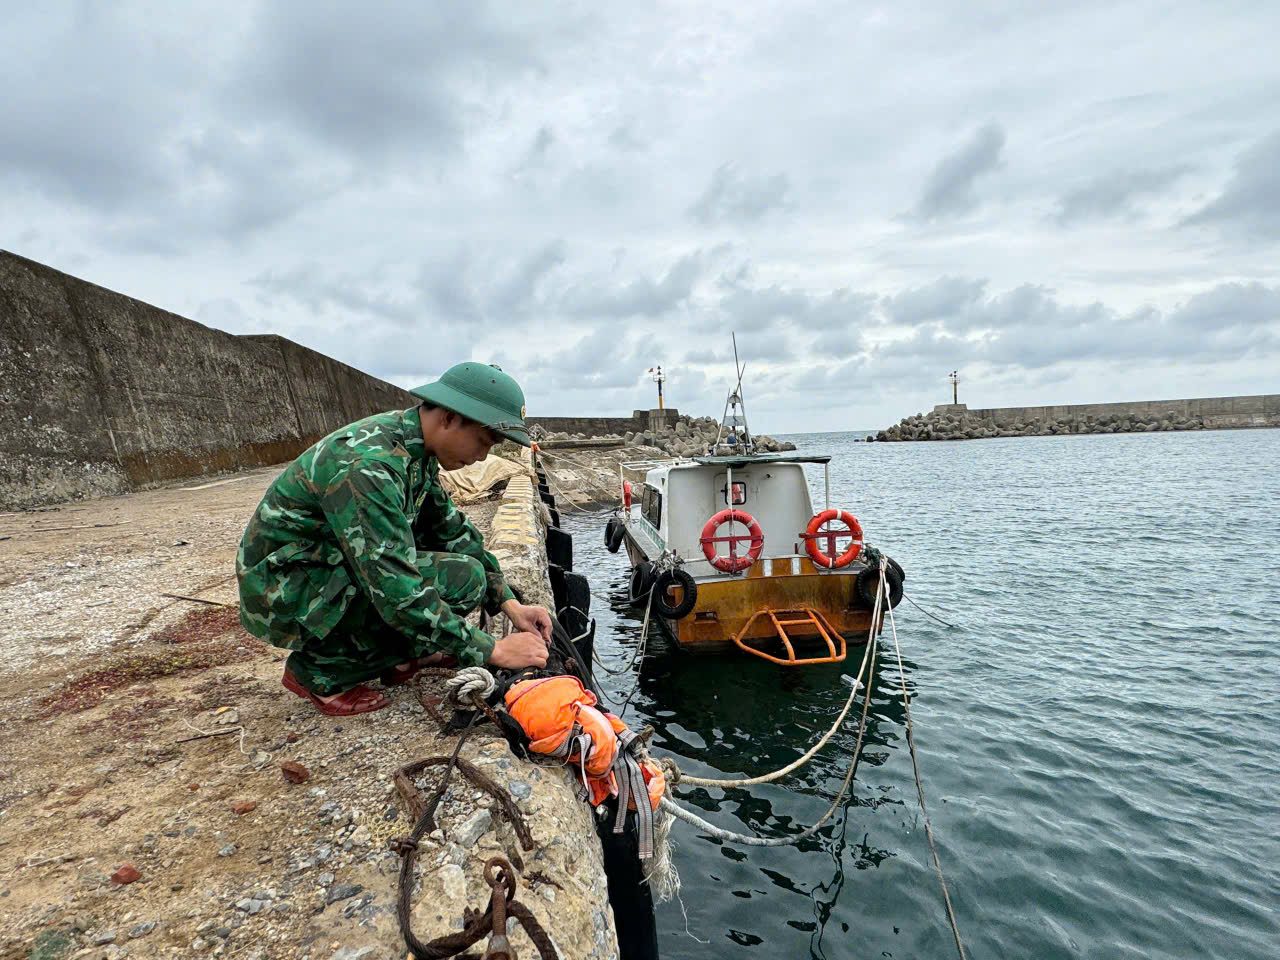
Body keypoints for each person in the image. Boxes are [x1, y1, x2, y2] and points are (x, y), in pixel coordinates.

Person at [237, 362, 552, 716]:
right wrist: (492, 650)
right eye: (484, 441)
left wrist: (510, 603)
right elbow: (393, 585)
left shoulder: (416, 451)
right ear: (449, 417)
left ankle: (398, 657)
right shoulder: (369, 465)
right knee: (443, 585)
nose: (483, 456)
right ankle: (318, 672)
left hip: (327, 568)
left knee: (467, 576)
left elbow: (452, 531)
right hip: (286, 587)